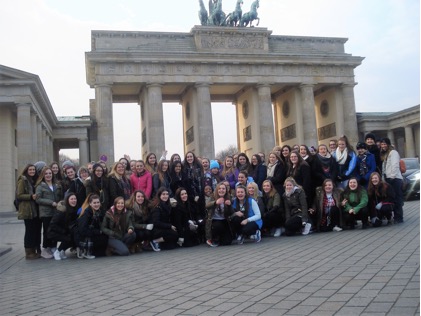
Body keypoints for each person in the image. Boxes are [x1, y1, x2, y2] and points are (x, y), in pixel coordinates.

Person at [35, 167, 63, 259]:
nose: (48, 175)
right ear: (43, 175)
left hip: (56, 212)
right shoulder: (40, 185)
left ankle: (53, 247)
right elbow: (38, 199)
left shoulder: (57, 184)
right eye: (46, 173)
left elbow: (60, 196)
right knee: (47, 230)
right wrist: (51, 203)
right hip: (46, 212)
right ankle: (46, 249)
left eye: (50, 173)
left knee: (54, 230)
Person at [17, 164, 41, 259]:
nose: (32, 171)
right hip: (27, 210)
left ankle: (34, 250)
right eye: (30, 170)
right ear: (26, 170)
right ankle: (29, 252)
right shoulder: (22, 179)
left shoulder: (34, 180)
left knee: (34, 230)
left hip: (34, 210)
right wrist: (31, 196)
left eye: (33, 170)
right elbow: (19, 195)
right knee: (29, 231)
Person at [48, 193, 79, 260]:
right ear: (67, 200)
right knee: (69, 238)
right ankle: (57, 251)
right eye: (72, 199)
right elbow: (52, 225)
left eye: (75, 199)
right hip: (54, 232)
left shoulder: (73, 209)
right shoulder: (62, 211)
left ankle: (62, 251)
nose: (74, 200)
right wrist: (64, 231)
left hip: (64, 230)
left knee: (74, 236)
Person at [380, 137, 404, 223]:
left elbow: (395, 165)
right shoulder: (385, 154)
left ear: (388, 144)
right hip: (388, 179)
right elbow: (384, 168)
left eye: (385, 144)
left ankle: (399, 217)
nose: (383, 146)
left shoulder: (393, 152)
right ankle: (396, 216)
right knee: (392, 198)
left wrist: (392, 177)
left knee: (397, 198)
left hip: (395, 179)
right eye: (382, 144)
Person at [205, 182, 233, 247]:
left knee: (227, 242)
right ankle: (214, 240)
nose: (221, 190)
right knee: (218, 225)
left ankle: (221, 239)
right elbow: (207, 205)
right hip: (214, 220)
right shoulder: (212, 197)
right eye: (219, 189)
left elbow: (231, 212)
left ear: (226, 190)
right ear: (217, 190)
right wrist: (215, 202)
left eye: (223, 189)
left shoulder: (228, 197)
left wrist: (229, 206)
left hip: (225, 220)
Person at [182, 151, 205, 216]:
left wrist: (198, 194)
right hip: (188, 194)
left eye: (191, 156)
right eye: (188, 157)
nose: (189, 158)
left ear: (193, 157)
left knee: (200, 212)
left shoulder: (199, 167)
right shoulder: (184, 168)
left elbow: (200, 182)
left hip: (199, 194)